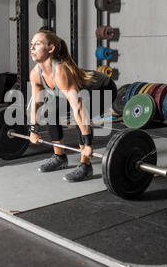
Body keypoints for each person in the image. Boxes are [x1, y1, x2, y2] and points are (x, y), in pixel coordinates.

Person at [29, 30, 117, 182]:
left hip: (103, 89)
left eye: (37, 44)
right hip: (83, 92)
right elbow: (36, 103)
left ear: (51, 49)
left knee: (80, 118)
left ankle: (85, 166)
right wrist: (33, 130)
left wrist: (88, 143)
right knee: (51, 112)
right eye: (31, 44)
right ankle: (59, 157)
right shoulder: (35, 74)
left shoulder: (61, 71)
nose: (32, 48)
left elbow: (79, 109)